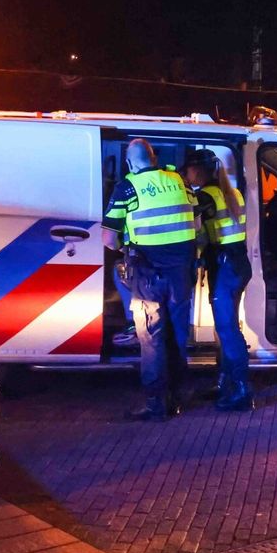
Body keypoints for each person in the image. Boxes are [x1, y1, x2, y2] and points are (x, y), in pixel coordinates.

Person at [104, 139, 198, 421]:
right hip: (181, 274)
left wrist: (126, 245)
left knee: (152, 339)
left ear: (130, 163)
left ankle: (156, 404)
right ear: (154, 159)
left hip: (148, 276)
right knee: (178, 336)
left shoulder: (128, 187)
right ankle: (178, 396)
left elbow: (109, 239)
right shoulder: (178, 181)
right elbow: (195, 221)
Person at [183, 149, 253, 411]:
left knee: (227, 329)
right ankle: (225, 383)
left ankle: (242, 390)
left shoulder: (205, 196)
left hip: (225, 266)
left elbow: (193, 229)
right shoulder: (230, 191)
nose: (185, 174)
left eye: (188, 169)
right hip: (235, 264)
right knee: (225, 327)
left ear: (198, 170)